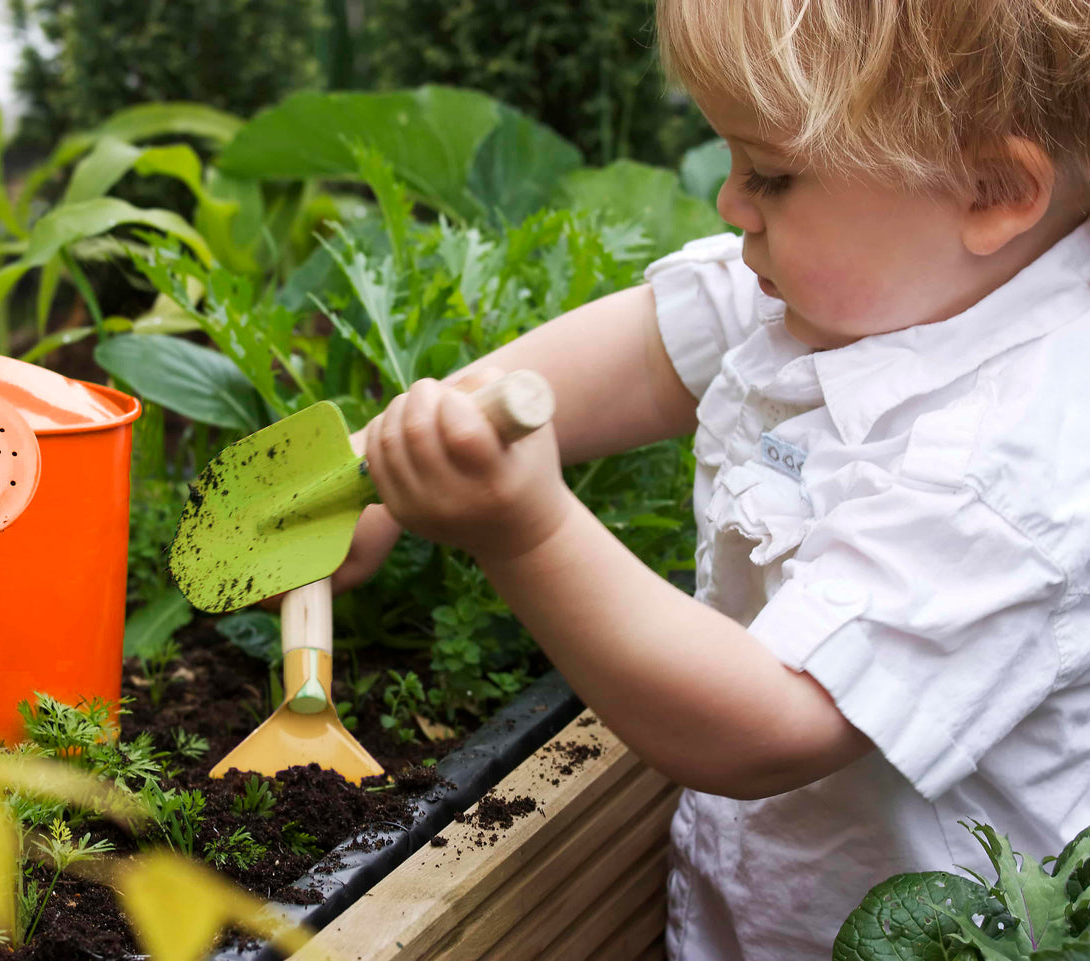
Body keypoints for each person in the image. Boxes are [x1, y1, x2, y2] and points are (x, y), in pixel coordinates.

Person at [329, 1, 1090, 957]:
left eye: (770, 174)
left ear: (989, 189)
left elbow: (766, 725)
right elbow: (648, 353)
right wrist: (383, 461)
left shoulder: (1017, 462)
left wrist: (521, 531)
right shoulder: (871, 280)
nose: (731, 206)